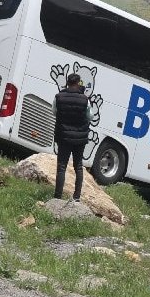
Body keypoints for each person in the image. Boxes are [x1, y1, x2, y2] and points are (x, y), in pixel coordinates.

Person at [53, 73, 90, 201]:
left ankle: (57, 196)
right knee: (78, 166)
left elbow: (54, 112)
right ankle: (76, 197)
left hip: (63, 136)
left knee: (62, 166)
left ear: (67, 82)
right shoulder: (85, 99)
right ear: (78, 83)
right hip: (80, 138)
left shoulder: (59, 96)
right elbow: (90, 117)